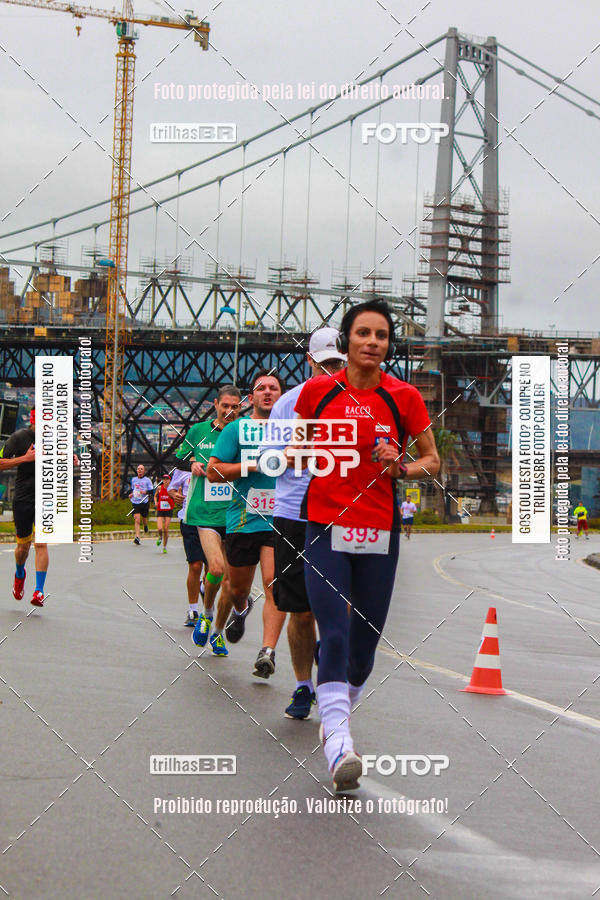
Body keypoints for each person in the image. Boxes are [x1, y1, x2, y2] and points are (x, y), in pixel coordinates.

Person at [294, 299, 440, 792]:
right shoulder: (316, 392)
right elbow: (297, 450)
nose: (373, 342)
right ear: (346, 340)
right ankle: (338, 741)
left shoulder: (404, 398)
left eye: (381, 335)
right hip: (324, 525)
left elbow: (432, 461)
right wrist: (299, 452)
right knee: (333, 633)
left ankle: (338, 708)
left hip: (378, 528)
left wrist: (401, 465)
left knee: (363, 647)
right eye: (363, 333)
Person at [258, 328, 346, 719]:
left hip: (341, 512)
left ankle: (328, 649)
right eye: (324, 364)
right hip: (294, 513)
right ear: (309, 361)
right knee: (301, 610)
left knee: (342, 604)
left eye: (337, 364)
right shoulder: (288, 404)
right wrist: (291, 456)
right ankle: (302, 686)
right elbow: (267, 459)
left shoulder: (356, 403)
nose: (331, 371)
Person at [207, 370, 285, 675]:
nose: (268, 392)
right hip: (243, 519)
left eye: (274, 388)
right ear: (251, 398)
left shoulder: (291, 429)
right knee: (237, 589)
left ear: (282, 396)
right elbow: (213, 472)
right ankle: (240, 610)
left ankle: (267, 652)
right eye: (261, 388)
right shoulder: (236, 429)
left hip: (279, 520)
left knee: (273, 583)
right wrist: (252, 465)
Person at [173, 385, 243, 654]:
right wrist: (191, 463)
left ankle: (216, 631)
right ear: (215, 404)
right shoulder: (199, 431)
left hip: (236, 512)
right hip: (205, 512)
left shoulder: (243, 432)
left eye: (234, 407)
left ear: (241, 407)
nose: (229, 411)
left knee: (231, 584)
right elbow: (178, 459)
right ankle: (205, 613)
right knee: (215, 568)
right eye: (225, 406)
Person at [0, 408, 79, 608]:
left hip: (46, 498)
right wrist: (24, 458)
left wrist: (70, 458)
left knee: (41, 543)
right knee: (23, 548)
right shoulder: (19, 438)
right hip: (23, 498)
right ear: (34, 422)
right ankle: (20, 574)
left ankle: (39, 591)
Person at [168, 467, 206, 626]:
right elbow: (171, 488)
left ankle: (204, 589)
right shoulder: (184, 467)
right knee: (195, 565)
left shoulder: (217, 461)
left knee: (213, 570)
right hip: (189, 520)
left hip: (213, 521)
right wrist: (174, 495)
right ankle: (193, 610)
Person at [129, 464, 154, 545]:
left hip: (144, 501)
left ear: (144, 471)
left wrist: (145, 492)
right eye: (138, 469)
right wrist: (131, 494)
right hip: (135, 502)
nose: (139, 470)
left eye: (141, 469)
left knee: (144, 518)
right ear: (137, 471)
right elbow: (132, 489)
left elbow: (151, 491)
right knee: (137, 519)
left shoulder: (147, 480)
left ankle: (145, 525)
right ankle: (137, 537)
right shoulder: (133, 480)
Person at [154, 473, 175, 553]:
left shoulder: (172, 489)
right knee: (160, 528)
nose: (165, 481)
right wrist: (156, 502)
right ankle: (160, 537)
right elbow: (155, 496)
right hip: (160, 510)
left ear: (170, 481)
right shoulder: (159, 488)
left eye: (167, 479)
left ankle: (164, 547)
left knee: (166, 529)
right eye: (164, 479)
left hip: (168, 510)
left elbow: (176, 496)